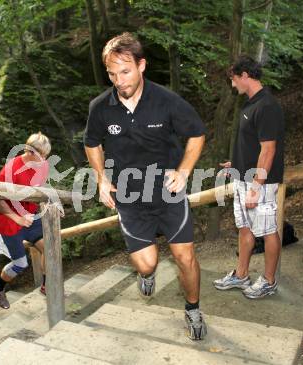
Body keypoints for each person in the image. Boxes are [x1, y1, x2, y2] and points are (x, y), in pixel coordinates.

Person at [84, 33, 207, 340]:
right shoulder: (101, 107)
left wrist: (184, 171)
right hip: (129, 194)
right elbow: (92, 143)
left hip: (167, 190)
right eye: (112, 74)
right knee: (147, 263)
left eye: (125, 72)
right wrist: (101, 178)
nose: (119, 80)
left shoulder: (166, 101)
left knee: (185, 256)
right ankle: (146, 274)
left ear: (142, 66)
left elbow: (197, 133)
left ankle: (193, 308)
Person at [213, 55, 285, 299]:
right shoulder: (251, 104)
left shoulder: (267, 106)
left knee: (267, 231)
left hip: (260, 182)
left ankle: (269, 280)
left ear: (245, 75)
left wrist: (256, 186)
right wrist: (238, 163)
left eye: (233, 80)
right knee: (245, 227)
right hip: (244, 177)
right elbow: (254, 144)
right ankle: (241, 274)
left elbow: (269, 149)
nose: (233, 85)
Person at [0, 132, 50, 309]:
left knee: (50, 248)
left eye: (46, 155)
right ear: (28, 151)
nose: (44, 160)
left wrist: (51, 203)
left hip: (29, 217)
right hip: (7, 220)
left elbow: (40, 189)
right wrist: (17, 218)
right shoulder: (11, 169)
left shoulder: (43, 164)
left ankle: (46, 285)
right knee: (20, 263)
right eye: (41, 155)